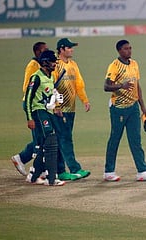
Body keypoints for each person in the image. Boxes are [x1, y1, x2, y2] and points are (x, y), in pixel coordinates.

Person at [103, 39, 146, 182]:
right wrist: (121, 85)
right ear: (119, 51)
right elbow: (106, 86)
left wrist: (143, 106)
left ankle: (142, 171)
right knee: (115, 139)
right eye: (126, 49)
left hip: (133, 107)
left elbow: (137, 86)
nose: (129, 51)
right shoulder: (114, 66)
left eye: (130, 48)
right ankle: (108, 171)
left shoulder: (134, 64)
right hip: (119, 108)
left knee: (136, 140)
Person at [24, 50, 65, 186]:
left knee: (44, 144)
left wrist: (56, 107)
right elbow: (28, 98)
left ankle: (34, 175)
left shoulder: (51, 77)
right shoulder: (36, 77)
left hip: (47, 112)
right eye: (53, 62)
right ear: (45, 62)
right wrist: (29, 118)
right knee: (50, 141)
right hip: (38, 112)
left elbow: (48, 96)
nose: (55, 64)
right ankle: (51, 178)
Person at [53, 38, 91, 181]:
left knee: (60, 139)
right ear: (61, 49)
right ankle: (75, 168)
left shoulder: (73, 65)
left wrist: (85, 100)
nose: (72, 50)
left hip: (71, 109)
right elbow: (52, 87)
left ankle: (60, 170)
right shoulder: (56, 65)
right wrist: (56, 106)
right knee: (65, 139)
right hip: (59, 110)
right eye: (69, 47)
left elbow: (79, 84)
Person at [11, 41, 48, 176]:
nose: (47, 52)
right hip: (32, 106)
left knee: (43, 137)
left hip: (41, 105)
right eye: (44, 50)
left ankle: (21, 158)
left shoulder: (42, 65)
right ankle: (36, 170)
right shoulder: (32, 66)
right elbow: (27, 88)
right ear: (37, 52)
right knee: (40, 139)